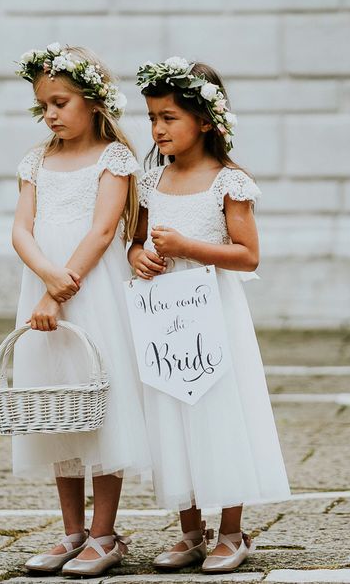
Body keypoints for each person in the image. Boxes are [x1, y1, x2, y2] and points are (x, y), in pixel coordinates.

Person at [128, 56, 291, 574]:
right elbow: (134, 243)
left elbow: (248, 255)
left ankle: (232, 531)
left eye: (168, 117)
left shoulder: (228, 182)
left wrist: (189, 247)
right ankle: (190, 531)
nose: (157, 128)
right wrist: (141, 256)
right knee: (174, 412)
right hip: (164, 316)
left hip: (212, 312)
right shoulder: (150, 183)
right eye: (152, 117)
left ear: (204, 120)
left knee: (219, 411)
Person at [11, 43, 151, 577]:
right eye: (42, 105)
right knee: (56, 401)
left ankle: (104, 534)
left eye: (59, 102)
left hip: (90, 292)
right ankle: (71, 530)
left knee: (99, 399)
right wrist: (45, 277)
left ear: (93, 102)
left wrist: (58, 289)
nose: (49, 114)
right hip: (45, 285)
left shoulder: (113, 159)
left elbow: (101, 231)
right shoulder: (36, 160)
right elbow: (21, 229)